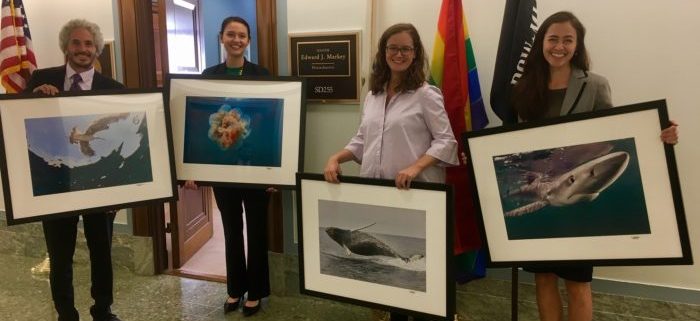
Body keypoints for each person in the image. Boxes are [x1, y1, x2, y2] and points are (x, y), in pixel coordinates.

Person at [511, 11, 679, 321]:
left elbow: (615, 129)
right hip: (546, 188)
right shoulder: (524, 86)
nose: (559, 47)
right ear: (541, 43)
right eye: (552, 39)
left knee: (578, 282)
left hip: (580, 197)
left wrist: (659, 133)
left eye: (567, 40)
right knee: (543, 277)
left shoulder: (596, 85)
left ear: (577, 45)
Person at [324, 23, 458, 321]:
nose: (398, 54)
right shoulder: (373, 95)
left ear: (415, 53)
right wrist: (336, 157)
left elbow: (446, 140)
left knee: (423, 294)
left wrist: (415, 166)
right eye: (392, 48)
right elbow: (362, 140)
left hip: (415, 194)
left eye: (405, 48)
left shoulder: (426, 94)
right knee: (390, 292)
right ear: (384, 52)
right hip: (378, 191)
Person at [24, 19, 125, 321]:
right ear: (66, 47)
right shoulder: (41, 80)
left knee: (101, 252)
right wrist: (34, 98)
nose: (83, 49)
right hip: (56, 183)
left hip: (99, 184)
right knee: (59, 254)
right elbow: (23, 125)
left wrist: (119, 190)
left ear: (97, 50)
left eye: (89, 44)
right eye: (76, 43)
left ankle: (102, 309)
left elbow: (118, 142)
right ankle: (65, 313)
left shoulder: (115, 89)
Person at [183, 16, 271, 318]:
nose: (236, 40)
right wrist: (191, 168)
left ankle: (256, 292)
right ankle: (235, 288)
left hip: (256, 167)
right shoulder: (208, 76)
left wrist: (277, 172)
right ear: (222, 38)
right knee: (232, 230)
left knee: (258, 231)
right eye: (231, 34)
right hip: (222, 168)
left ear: (248, 41)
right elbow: (195, 126)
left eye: (242, 36)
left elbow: (270, 123)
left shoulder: (262, 75)